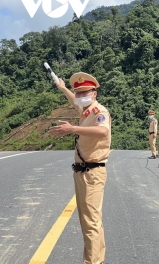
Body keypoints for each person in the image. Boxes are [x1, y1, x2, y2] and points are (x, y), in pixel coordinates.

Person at [49, 72, 111, 264]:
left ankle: (93, 262)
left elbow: (102, 131)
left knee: (90, 223)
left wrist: (73, 129)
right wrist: (62, 87)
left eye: (85, 92)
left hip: (92, 172)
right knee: (89, 221)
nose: (80, 96)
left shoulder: (99, 112)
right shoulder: (86, 110)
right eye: (78, 93)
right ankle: (97, 260)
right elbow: (75, 102)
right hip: (82, 171)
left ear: (95, 93)